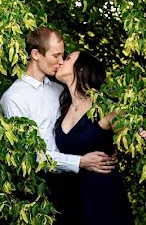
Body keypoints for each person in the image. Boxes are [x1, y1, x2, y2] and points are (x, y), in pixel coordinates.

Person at [0, 27, 116, 223]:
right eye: (56, 55)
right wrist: (80, 162)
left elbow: (89, 126)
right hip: (43, 193)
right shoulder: (14, 98)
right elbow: (30, 156)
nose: (61, 61)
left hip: (79, 186)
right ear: (35, 54)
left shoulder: (59, 91)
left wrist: (112, 144)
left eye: (64, 55)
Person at [53, 50, 134, 225]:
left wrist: (121, 147)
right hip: (69, 197)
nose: (60, 62)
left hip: (101, 196)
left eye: (67, 59)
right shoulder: (63, 108)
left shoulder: (106, 108)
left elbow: (136, 142)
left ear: (81, 69)